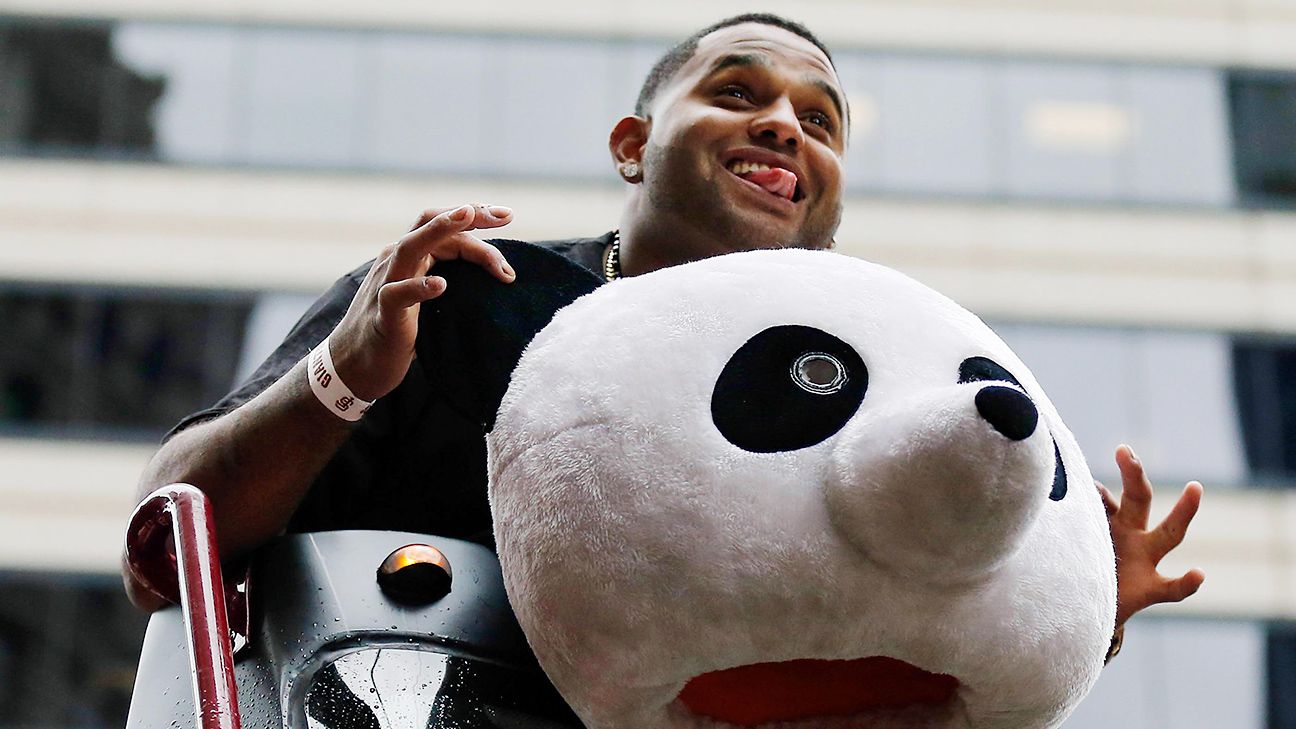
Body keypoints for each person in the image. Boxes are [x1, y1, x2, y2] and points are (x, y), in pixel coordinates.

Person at [123, 13, 1204, 648]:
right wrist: (342, 380)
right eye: (737, 92)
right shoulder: (461, 291)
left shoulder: (876, 396)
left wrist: (1084, 610)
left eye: (818, 120)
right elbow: (166, 558)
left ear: (829, 205)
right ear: (635, 144)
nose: (781, 121)